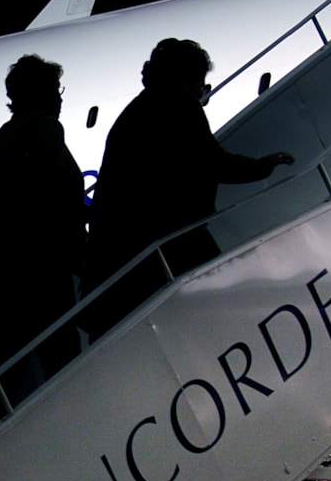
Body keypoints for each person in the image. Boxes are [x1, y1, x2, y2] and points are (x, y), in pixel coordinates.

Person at [81, 37, 295, 340]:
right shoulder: (177, 105)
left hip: (120, 260)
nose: (201, 93)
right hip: (163, 250)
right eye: (202, 84)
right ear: (189, 78)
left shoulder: (137, 110)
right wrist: (262, 166)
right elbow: (210, 161)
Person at [0, 53, 87, 394]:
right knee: (65, 367)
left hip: (6, 275)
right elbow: (55, 200)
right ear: (41, 92)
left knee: (12, 376)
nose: (59, 97)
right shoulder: (45, 129)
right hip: (43, 273)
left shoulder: (5, 135)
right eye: (55, 89)